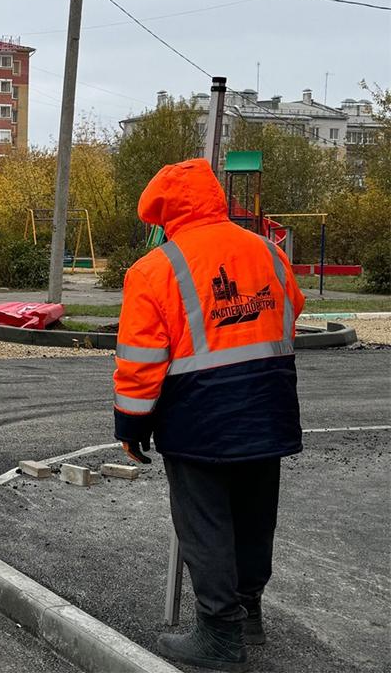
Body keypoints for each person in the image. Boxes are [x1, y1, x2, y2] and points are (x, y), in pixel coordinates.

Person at [112, 158, 305, 672]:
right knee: (255, 516)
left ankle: (220, 635)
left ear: (163, 214)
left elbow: (140, 362)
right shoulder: (268, 250)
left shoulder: (156, 269)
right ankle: (251, 616)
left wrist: (131, 428)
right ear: (216, 198)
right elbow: (294, 306)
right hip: (268, 403)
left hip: (197, 414)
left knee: (206, 524)